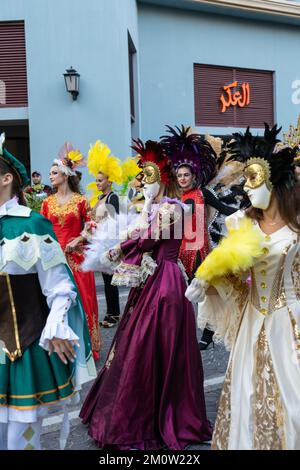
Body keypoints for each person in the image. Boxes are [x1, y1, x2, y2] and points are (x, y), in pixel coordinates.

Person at [80, 139, 212, 450]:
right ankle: (142, 407)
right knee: (139, 342)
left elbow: (149, 240)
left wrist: (119, 246)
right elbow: (142, 234)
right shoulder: (153, 207)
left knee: (155, 344)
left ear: (161, 180)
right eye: (142, 177)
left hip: (166, 284)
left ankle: (159, 413)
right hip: (151, 281)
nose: (143, 183)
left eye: (148, 177)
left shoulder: (173, 208)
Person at [186, 124, 300, 450]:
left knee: (293, 409)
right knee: (247, 398)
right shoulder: (241, 222)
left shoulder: (297, 224)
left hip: (291, 323)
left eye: (252, 179)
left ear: (272, 180)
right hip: (253, 320)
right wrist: (207, 280)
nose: (245, 187)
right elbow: (234, 277)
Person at [0, 133, 96, 450]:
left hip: (20, 349)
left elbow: (59, 286)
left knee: (20, 439)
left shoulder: (31, 224)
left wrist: (56, 324)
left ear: (6, 178)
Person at [160, 126, 235, 350]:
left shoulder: (202, 194)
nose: (182, 179)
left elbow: (225, 209)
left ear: (194, 176)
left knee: (208, 292)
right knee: (180, 294)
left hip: (200, 251)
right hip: (179, 251)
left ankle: (210, 333)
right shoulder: (175, 197)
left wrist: (252, 212)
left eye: (186, 175)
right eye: (179, 175)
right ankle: (179, 332)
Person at [41, 143, 101, 361]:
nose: (51, 176)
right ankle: (60, 345)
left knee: (83, 299)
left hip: (77, 257)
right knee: (57, 300)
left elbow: (93, 225)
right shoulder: (47, 203)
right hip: (55, 258)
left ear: (65, 175)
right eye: (50, 173)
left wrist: (80, 237)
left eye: (54, 173)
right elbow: (43, 230)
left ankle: (88, 345)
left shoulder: (81, 201)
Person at [84, 140, 123, 328]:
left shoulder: (112, 197)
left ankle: (113, 314)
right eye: (96, 180)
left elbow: (114, 221)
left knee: (110, 280)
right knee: (107, 279)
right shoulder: (99, 198)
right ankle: (111, 312)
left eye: (101, 180)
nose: (98, 183)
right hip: (99, 241)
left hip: (109, 243)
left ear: (110, 180)